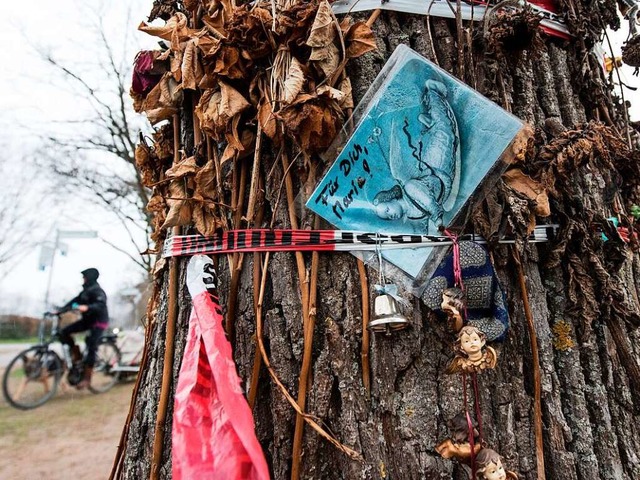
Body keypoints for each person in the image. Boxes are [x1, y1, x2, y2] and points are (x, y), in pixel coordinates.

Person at [53, 268, 109, 389]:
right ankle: (77, 358)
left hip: (99, 322)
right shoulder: (85, 292)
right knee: (64, 332)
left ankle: (87, 379)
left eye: (84, 277)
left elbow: (100, 305)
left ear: (89, 277)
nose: (83, 279)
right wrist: (60, 310)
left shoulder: (98, 291)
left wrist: (88, 307)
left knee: (91, 345)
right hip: (87, 321)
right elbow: (73, 302)